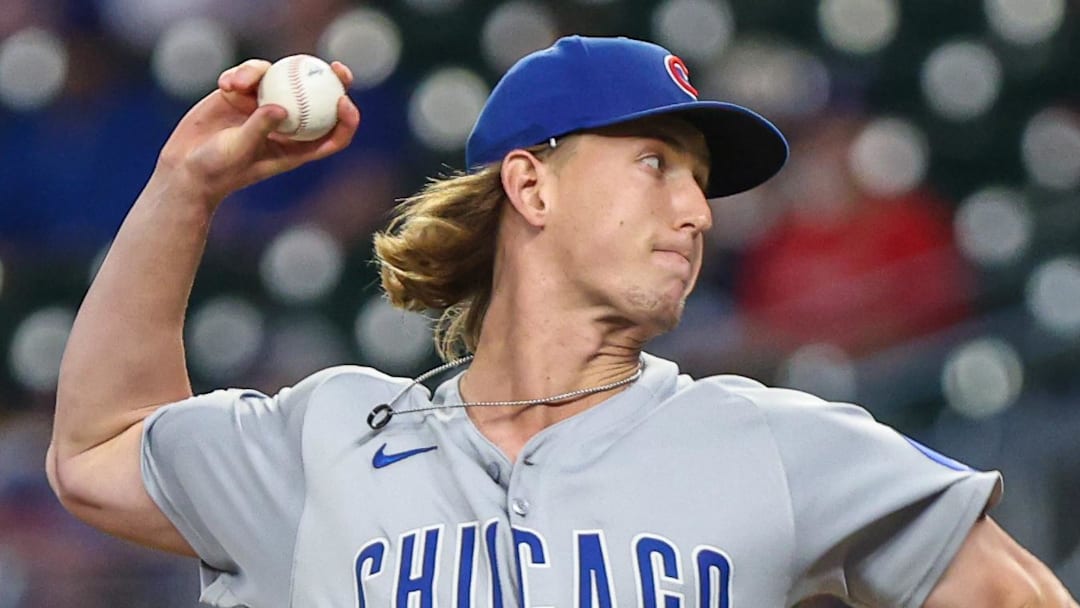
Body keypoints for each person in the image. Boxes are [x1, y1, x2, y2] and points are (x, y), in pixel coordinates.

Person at [46, 35, 1075, 607]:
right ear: (532, 187)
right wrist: (183, 189)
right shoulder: (322, 441)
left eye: (703, 181)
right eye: (656, 162)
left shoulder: (785, 447)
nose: (698, 210)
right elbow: (96, 446)